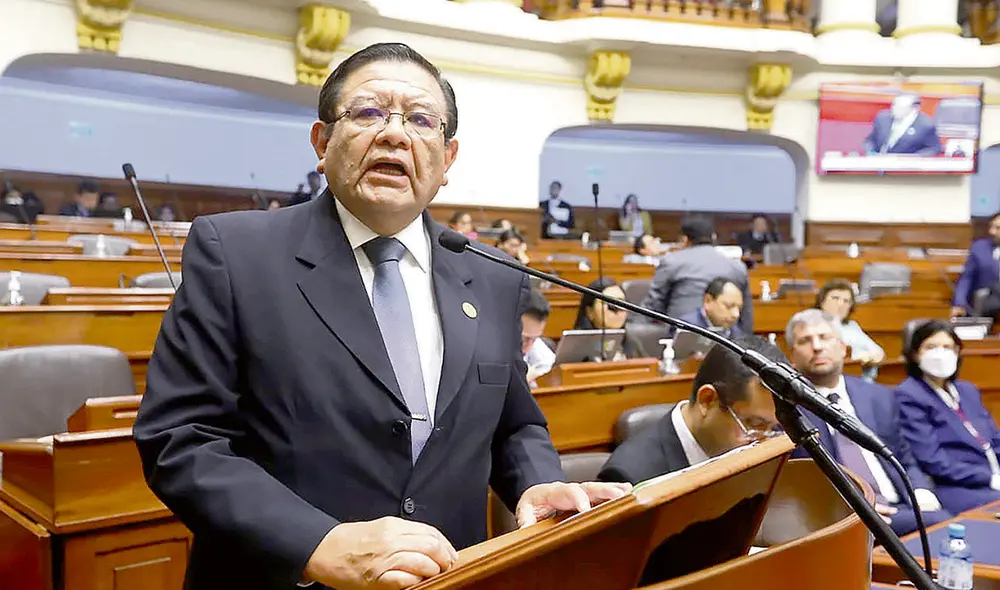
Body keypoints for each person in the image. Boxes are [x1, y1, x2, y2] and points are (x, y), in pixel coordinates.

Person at [133, 42, 629, 590]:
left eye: (420, 120)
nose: (395, 133)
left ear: (448, 158)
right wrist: (315, 543)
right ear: (322, 143)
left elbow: (514, 423)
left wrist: (535, 484)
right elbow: (181, 439)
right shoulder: (236, 252)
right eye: (368, 112)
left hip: (450, 577)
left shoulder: (492, 275)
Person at [785, 310, 951, 536]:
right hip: (848, 515)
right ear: (792, 357)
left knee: (947, 525)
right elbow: (803, 483)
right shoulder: (789, 410)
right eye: (805, 341)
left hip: (900, 505)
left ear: (843, 347)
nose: (817, 347)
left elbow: (904, 455)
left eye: (825, 337)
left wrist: (920, 490)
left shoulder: (877, 396)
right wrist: (855, 507)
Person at [599, 334, 784, 485]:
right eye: (755, 424)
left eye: (773, 428)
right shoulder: (629, 476)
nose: (763, 441)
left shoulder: (753, 456)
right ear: (707, 400)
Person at [896, 320, 1000, 514]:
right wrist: (988, 478)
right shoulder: (909, 394)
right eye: (931, 347)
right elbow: (932, 459)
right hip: (956, 485)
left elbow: (994, 438)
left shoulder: (967, 390)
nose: (940, 353)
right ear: (915, 354)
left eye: (948, 347)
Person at [641, 215, 753, 334]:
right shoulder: (737, 267)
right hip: (727, 341)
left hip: (680, 339)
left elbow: (653, 306)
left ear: (684, 240)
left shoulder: (671, 262)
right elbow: (746, 316)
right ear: (713, 237)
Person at [572, 277, 649, 360]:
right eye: (609, 304)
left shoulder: (632, 343)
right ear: (590, 311)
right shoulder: (573, 348)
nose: (617, 310)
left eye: (621, 303)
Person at [815, 279, 885, 367]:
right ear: (822, 301)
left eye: (846, 301)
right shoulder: (813, 326)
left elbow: (879, 353)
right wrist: (861, 358)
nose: (840, 304)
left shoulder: (852, 326)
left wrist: (871, 358)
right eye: (835, 298)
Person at [952, 211, 1000, 318]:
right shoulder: (979, 248)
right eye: (991, 227)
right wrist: (959, 303)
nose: (991, 231)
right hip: (984, 308)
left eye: (997, 228)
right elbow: (966, 278)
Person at [862, 94, 942, 156]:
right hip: (878, 162)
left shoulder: (926, 125)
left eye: (900, 107)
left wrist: (913, 159)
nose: (894, 109)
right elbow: (870, 140)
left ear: (914, 109)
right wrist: (870, 153)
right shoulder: (882, 118)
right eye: (894, 105)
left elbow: (934, 149)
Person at [677, 277, 744, 339]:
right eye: (729, 306)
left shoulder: (736, 332)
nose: (736, 314)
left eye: (739, 308)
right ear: (708, 301)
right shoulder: (685, 326)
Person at [521, 288, 555, 385]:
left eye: (534, 339)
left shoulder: (532, 341)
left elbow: (549, 366)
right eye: (522, 340)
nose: (527, 349)